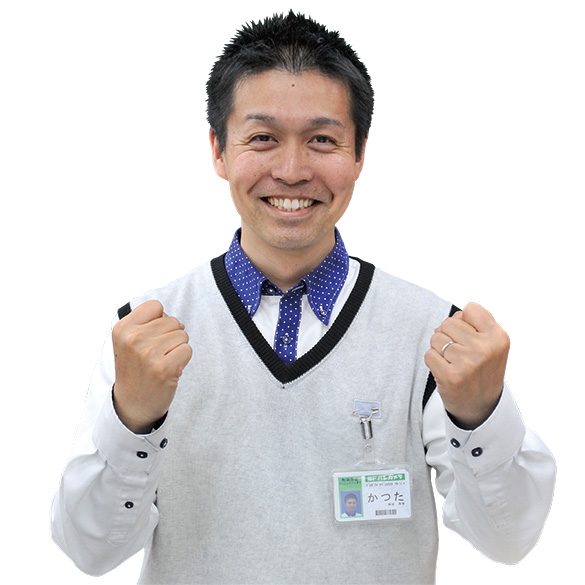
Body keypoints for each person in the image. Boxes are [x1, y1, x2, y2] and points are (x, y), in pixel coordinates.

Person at [51, 11, 556, 584]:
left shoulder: (431, 334)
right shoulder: (145, 333)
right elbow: (89, 551)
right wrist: (132, 419)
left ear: (359, 154)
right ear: (218, 150)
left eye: (322, 140)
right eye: (262, 138)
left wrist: (482, 415)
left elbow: (508, 541)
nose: (292, 171)